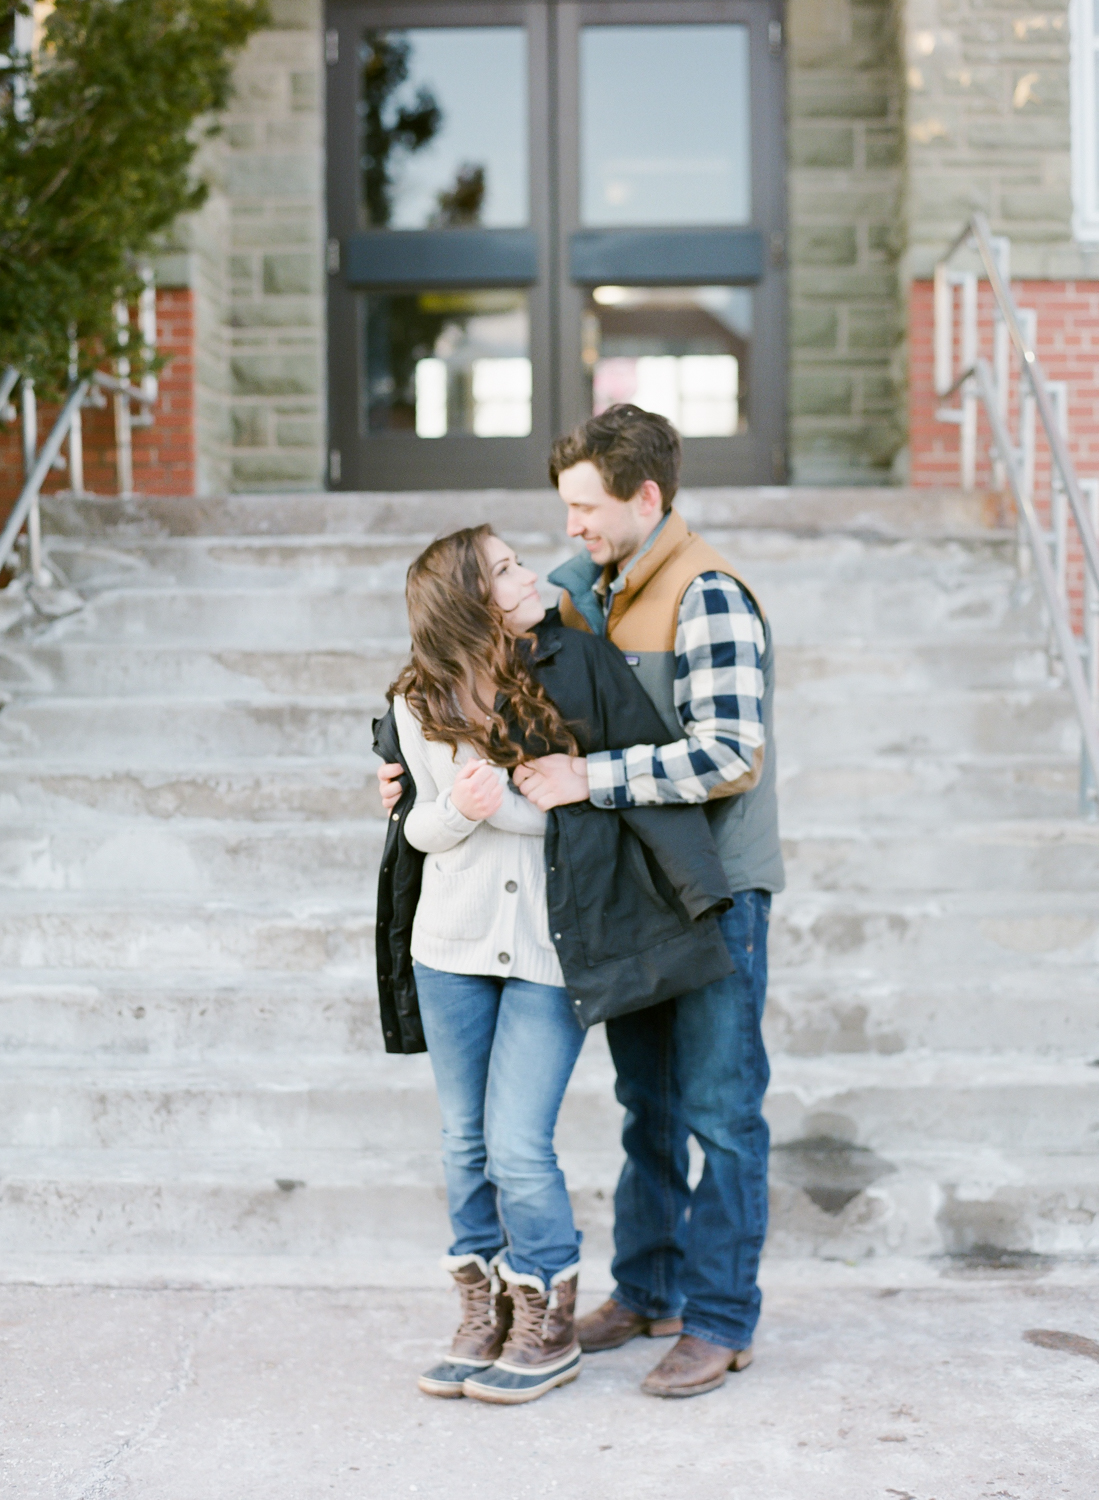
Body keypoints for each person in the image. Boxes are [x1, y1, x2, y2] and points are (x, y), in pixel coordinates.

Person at [379, 405, 783, 1399]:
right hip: (625, 902)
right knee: (645, 1103)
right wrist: (393, 761)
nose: (569, 528)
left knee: (721, 1113)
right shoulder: (578, 588)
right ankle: (646, 1289)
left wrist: (588, 780)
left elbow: (732, 755)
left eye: (584, 507)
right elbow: (453, 650)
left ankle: (720, 1318)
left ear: (644, 499)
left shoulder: (709, 596)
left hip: (714, 890)